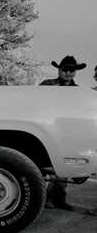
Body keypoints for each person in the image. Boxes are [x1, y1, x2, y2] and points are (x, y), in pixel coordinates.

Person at [39, 55, 86, 210]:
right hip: (47, 127)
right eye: (64, 69)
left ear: (75, 72)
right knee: (45, 167)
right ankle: (42, 200)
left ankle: (59, 200)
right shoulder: (47, 85)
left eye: (71, 70)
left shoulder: (78, 91)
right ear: (59, 70)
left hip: (66, 131)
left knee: (62, 166)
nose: (67, 73)